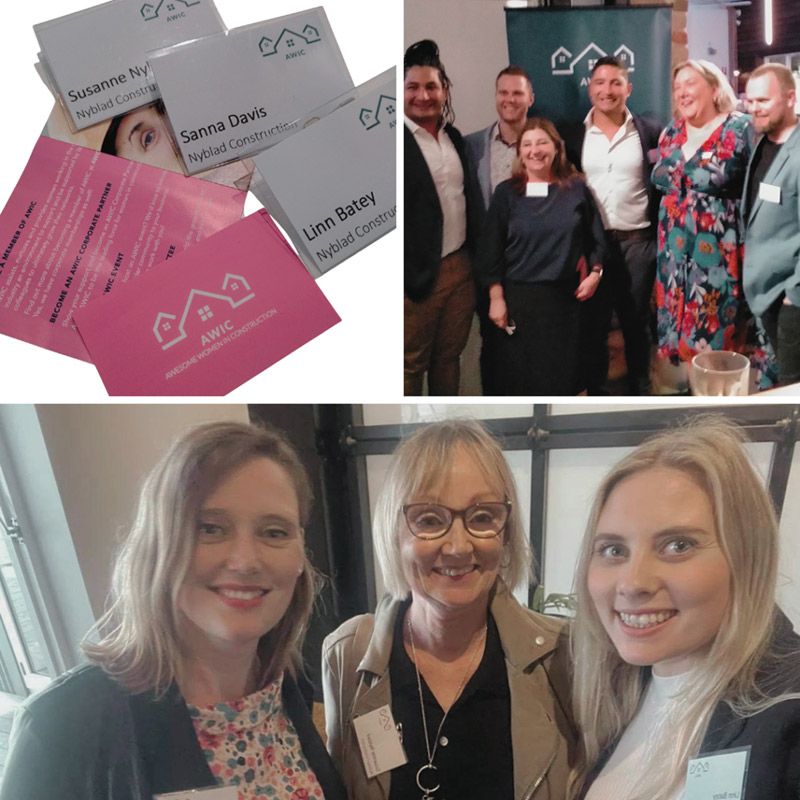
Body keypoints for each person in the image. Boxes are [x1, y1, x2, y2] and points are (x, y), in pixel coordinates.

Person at [1, 422, 346, 800]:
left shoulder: (286, 682)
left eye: (274, 532)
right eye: (210, 528)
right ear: (159, 545)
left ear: (300, 557)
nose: (246, 561)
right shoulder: (62, 727)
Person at [322, 420, 575, 800]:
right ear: (395, 533)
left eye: (482, 517)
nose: (458, 546)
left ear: (506, 533)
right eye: (428, 519)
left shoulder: (563, 659)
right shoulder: (349, 653)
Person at [570, 416, 800, 800]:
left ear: (747, 555)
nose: (633, 583)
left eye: (678, 546)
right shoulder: (619, 689)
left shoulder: (788, 717)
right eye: (614, 550)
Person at [652, 60, 775, 392]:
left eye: (690, 84)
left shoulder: (741, 129)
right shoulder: (671, 133)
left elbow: (767, 185)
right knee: (681, 350)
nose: (682, 92)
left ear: (713, 87)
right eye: (677, 87)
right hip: (674, 262)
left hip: (719, 259)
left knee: (720, 346)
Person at [476, 117, 606, 395]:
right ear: (520, 152)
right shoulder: (506, 194)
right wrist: (496, 298)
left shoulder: (576, 188)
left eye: (542, 142)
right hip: (519, 301)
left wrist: (596, 273)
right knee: (520, 379)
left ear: (556, 148)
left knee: (564, 379)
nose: (535, 150)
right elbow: (491, 249)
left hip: (565, 302)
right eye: (527, 144)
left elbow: (596, 238)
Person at [561, 56, 662, 395]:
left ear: (628, 88)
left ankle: (641, 388)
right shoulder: (573, 135)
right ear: (589, 89)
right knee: (592, 323)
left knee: (636, 322)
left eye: (616, 83)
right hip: (593, 245)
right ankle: (595, 390)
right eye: (600, 83)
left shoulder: (649, 131)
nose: (608, 90)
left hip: (638, 242)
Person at [404, 40, 475, 396]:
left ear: (444, 91)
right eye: (412, 87)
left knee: (449, 358)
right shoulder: (392, 142)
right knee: (410, 364)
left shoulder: (454, 139)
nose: (422, 95)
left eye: (431, 86)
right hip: (417, 277)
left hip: (460, 268)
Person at [465, 66, 536, 394]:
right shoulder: (472, 147)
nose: (510, 100)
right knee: (493, 347)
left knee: (531, 345)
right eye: (504, 92)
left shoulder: (544, 147)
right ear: (496, 97)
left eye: (517, 93)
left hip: (533, 268)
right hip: (489, 268)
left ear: (530, 98)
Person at [742, 63, 800, 386]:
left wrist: (794, 294)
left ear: (790, 99)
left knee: (793, 389)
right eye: (750, 101)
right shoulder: (763, 142)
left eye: (763, 101)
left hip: (791, 298)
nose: (754, 109)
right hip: (766, 293)